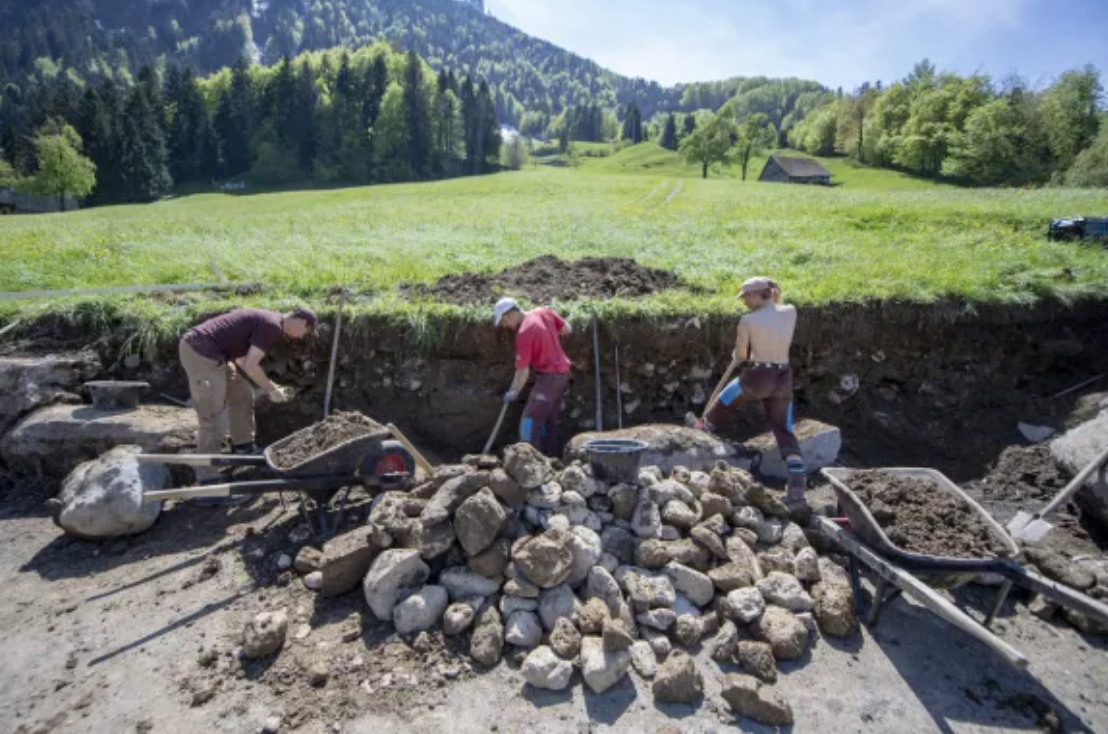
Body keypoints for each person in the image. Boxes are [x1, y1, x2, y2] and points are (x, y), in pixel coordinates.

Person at [179, 307, 317, 497]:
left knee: (241, 393)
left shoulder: (269, 321)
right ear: (302, 321)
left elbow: (242, 359)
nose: (302, 336)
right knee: (212, 419)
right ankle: (208, 485)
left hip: (214, 352)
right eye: (306, 331)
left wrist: (272, 386)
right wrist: (271, 390)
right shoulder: (272, 325)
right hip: (201, 352)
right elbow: (250, 366)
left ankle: (243, 446)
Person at [688, 277, 806, 500]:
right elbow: (777, 305)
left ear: (756, 294)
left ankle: (703, 428)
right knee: (784, 429)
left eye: (745, 297)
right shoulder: (790, 311)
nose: (744, 302)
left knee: (725, 400)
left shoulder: (748, 320)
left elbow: (742, 356)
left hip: (759, 376)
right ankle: (797, 485)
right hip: (783, 377)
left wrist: (737, 355)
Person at [494, 297, 572, 457]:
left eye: (504, 321)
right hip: (563, 375)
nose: (506, 326)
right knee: (549, 420)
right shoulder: (543, 312)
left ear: (510, 314)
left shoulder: (524, 333)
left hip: (549, 378)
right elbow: (567, 329)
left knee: (529, 421)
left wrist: (513, 393)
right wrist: (547, 336)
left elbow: (522, 371)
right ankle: (551, 460)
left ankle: (529, 463)